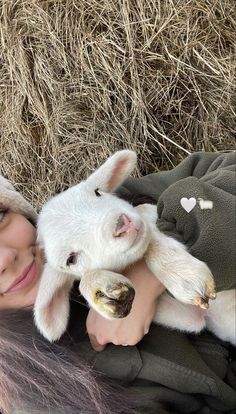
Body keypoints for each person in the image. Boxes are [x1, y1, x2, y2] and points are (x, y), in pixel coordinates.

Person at [0, 151, 235, 414]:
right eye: (72, 258)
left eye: (0, 217)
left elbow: (229, 167)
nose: (4, 258)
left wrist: (154, 260)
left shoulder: (97, 206)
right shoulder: (42, 396)